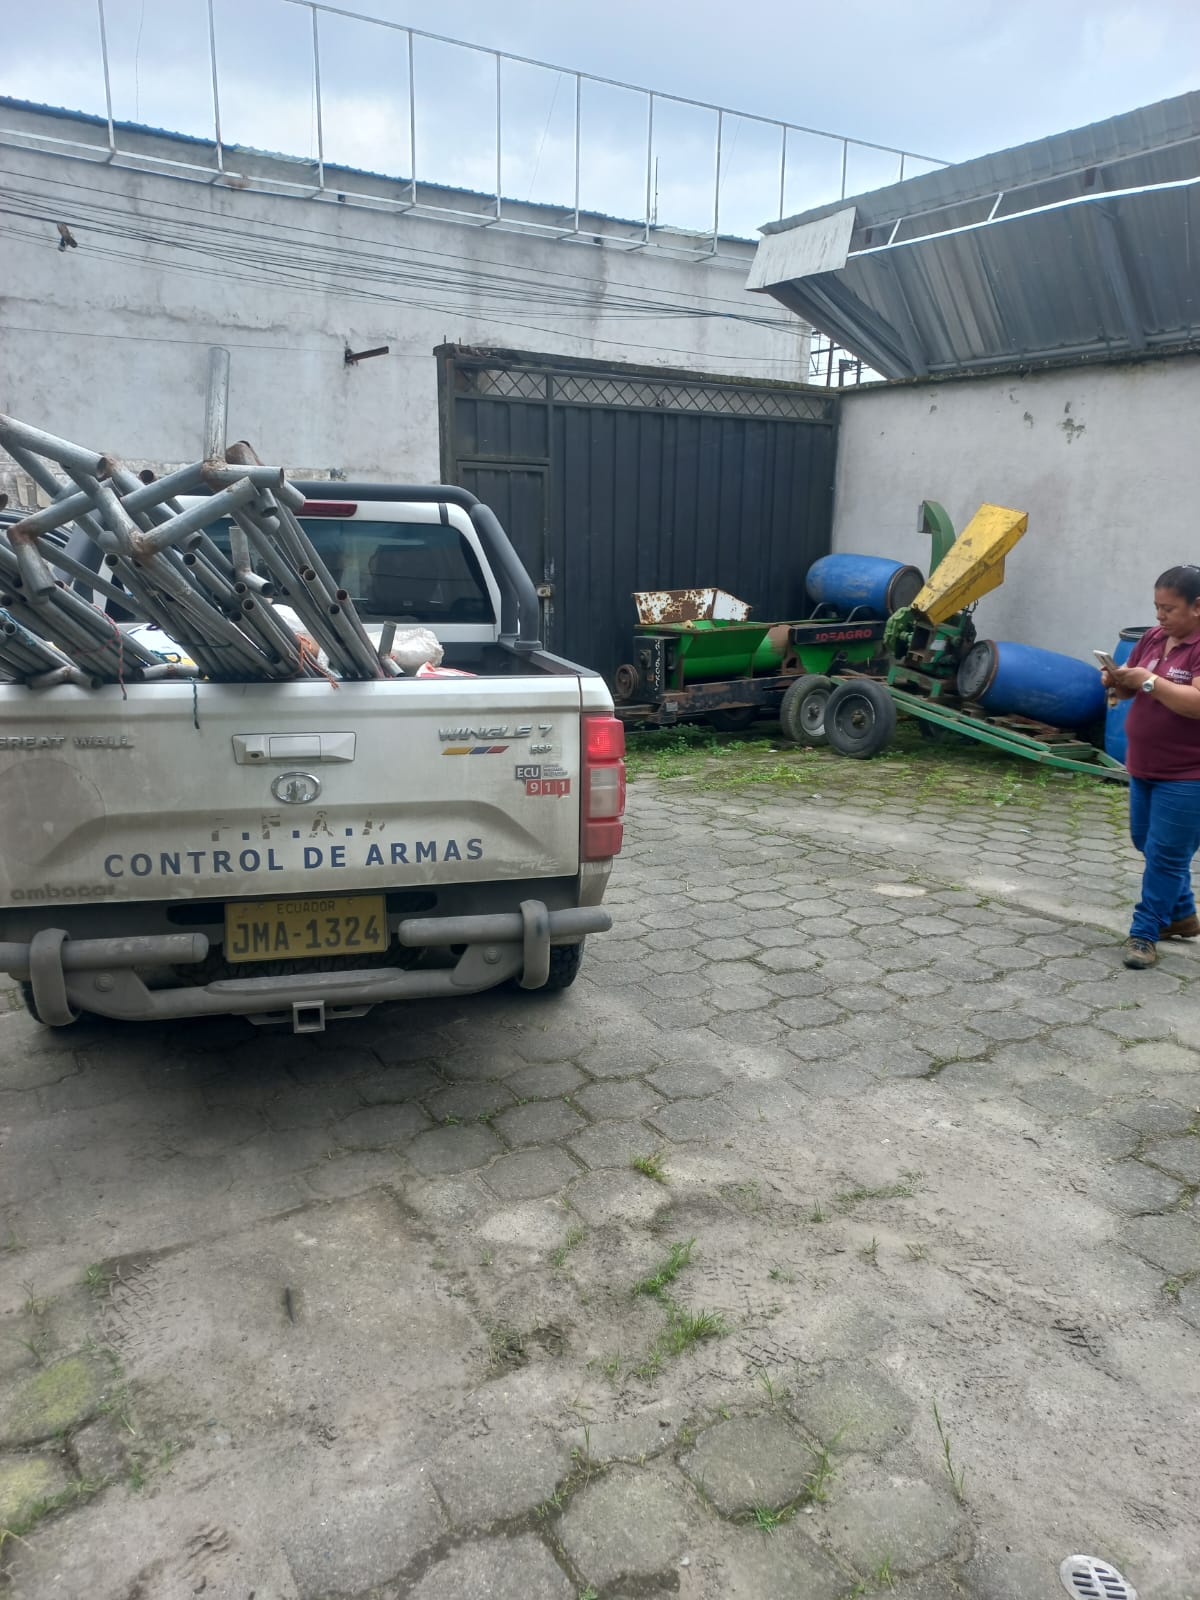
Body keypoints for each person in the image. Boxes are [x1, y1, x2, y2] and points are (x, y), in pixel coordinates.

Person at [1102, 565, 1200, 969]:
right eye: (1157, 606)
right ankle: (1182, 914)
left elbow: (1196, 704)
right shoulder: (1153, 637)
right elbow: (1132, 689)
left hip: (1188, 773)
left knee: (1166, 856)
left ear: (1198, 607)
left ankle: (1145, 932)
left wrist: (1147, 680)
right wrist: (1117, 680)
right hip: (1144, 765)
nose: (1160, 615)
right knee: (1146, 842)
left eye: (1169, 608)